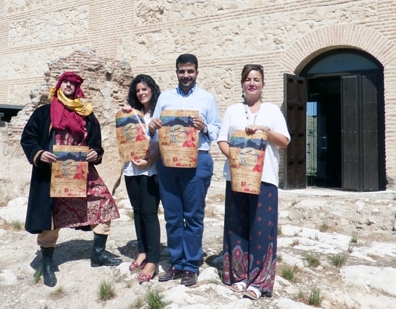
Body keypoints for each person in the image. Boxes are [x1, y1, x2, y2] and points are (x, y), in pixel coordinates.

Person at [20, 71, 121, 288]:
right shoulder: (44, 112)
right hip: (51, 172)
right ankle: (47, 263)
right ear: (59, 85)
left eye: (73, 84)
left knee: (104, 204)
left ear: (77, 89)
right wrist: (38, 153)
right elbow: (28, 137)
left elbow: (96, 142)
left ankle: (99, 253)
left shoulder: (87, 114)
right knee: (51, 216)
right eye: (65, 82)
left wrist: (96, 152)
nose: (69, 85)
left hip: (82, 171)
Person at [217, 64, 290, 300]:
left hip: (265, 178)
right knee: (237, 226)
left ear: (263, 84)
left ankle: (259, 281)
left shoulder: (272, 111)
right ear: (242, 83)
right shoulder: (232, 111)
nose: (252, 83)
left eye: (256, 79)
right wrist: (238, 161)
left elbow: (284, 141)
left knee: (261, 230)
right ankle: (238, 276)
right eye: (248, 79)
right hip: (237, 177)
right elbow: (222, 141)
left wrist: (264, 130)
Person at [148, 53, 221, 287]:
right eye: (182, 71)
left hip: (197, 161)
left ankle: (191, 265)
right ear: (176, 72)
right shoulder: (165, 98)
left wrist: (205, 126)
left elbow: (218, 131)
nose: (186, 75)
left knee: (193, 216)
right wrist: (151, 127)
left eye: (190, 71)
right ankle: (176, 262)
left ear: (197, 72)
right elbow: (155, 129)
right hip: (168, 162)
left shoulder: (207, 99)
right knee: (172, 216)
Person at [121, 74, 162, 284]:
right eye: (138, 90)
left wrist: (149, 162)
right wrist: (126, 114)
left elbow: (162, 144)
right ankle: (142, 251)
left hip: (151, 169)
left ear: (152, 90)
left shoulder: (159, 112)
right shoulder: (133, 113)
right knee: (137, 211)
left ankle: (153, 259)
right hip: (131, 168)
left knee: (149, 212)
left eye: (145, 89)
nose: (141, 93)